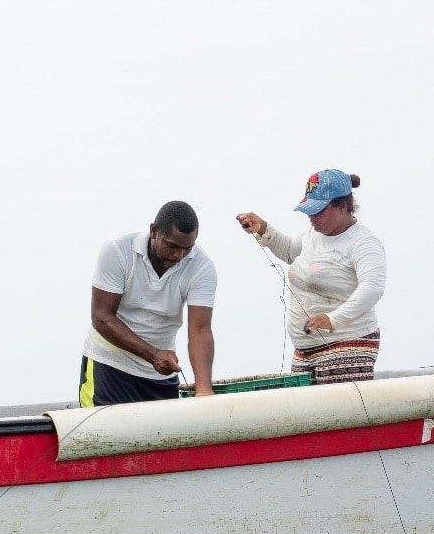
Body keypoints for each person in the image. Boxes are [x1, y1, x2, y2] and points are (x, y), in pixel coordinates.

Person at [236, 169, 386, 384]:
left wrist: (332, 319)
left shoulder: (363, 243)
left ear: (342, 207)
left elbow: (372, 287)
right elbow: (289, 251)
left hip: (347, 347)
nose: (311, 217)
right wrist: (264, 229)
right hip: (305, 349)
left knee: (336, 414)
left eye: (318, 211)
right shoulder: (313, 233)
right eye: (309, 210)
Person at [78, 200, 216, 406]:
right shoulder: (117, 251)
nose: (179, 255)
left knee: (166, 438)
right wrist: (152, 355)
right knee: (108, 437)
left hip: (161, 377)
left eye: (187, 248)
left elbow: (200, 329)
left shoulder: (201, 266)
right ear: (154, 231)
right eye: (172, 246)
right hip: (109, 369)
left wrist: (204, 390)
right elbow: (101, 317)